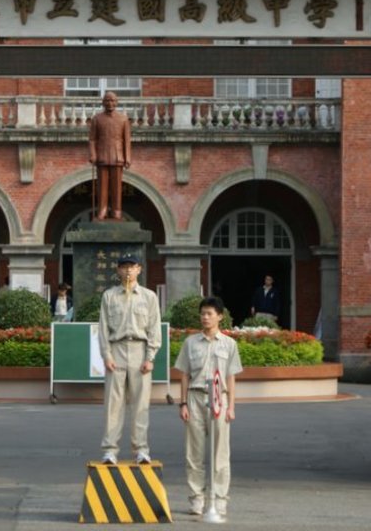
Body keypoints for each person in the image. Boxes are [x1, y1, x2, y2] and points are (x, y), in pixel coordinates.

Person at [175, 296, 243, 519]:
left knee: (220, 453)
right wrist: (183, 403)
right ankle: (197, 498)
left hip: (219, 399)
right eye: (202, 313)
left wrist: (231, 406)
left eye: (209, 314)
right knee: (193, 453)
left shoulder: (229, 344)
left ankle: (219, 500)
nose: (205, 317)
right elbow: (184, 375)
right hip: (195, 397)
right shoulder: (190, 343)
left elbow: (231, 377)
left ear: (219, 316)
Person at [98, 253, 161, 465]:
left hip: (139, 350)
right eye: (124, 266)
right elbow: (103, 328)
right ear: (118, 270)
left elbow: (154, 329)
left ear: (139, 269)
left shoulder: (149, 297)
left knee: (140, 404)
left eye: (132, 266)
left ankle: (141, 449)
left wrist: (150, 357)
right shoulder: (109, 296)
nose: (128, 270)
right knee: (113, 404)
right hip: (116, 349)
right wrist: (106, 355)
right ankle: (110, 450)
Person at [89, 91, 131, 221]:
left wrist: (128, 157)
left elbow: (127, 140)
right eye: (107, 100)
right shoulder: (97, 119)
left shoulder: (123, 119)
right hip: (102, 156)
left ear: (116, 102)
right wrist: (93, 154)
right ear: (103, 102)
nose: (110, 103)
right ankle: (102, 210)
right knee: (102, 186)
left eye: (112, 100)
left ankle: (116, 210)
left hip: (118, 156)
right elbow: (92, 139)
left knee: (116, 187)